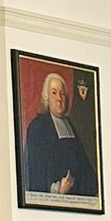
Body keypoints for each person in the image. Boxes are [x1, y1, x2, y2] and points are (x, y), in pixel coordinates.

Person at [23, 70, 96, 198]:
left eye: (62, 93)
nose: (59, 98)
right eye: (54, 93)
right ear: (47, 97)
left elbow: (83, 164)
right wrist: (58, 189)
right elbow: (35, 171)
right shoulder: (38, 127)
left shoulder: (69, 125)